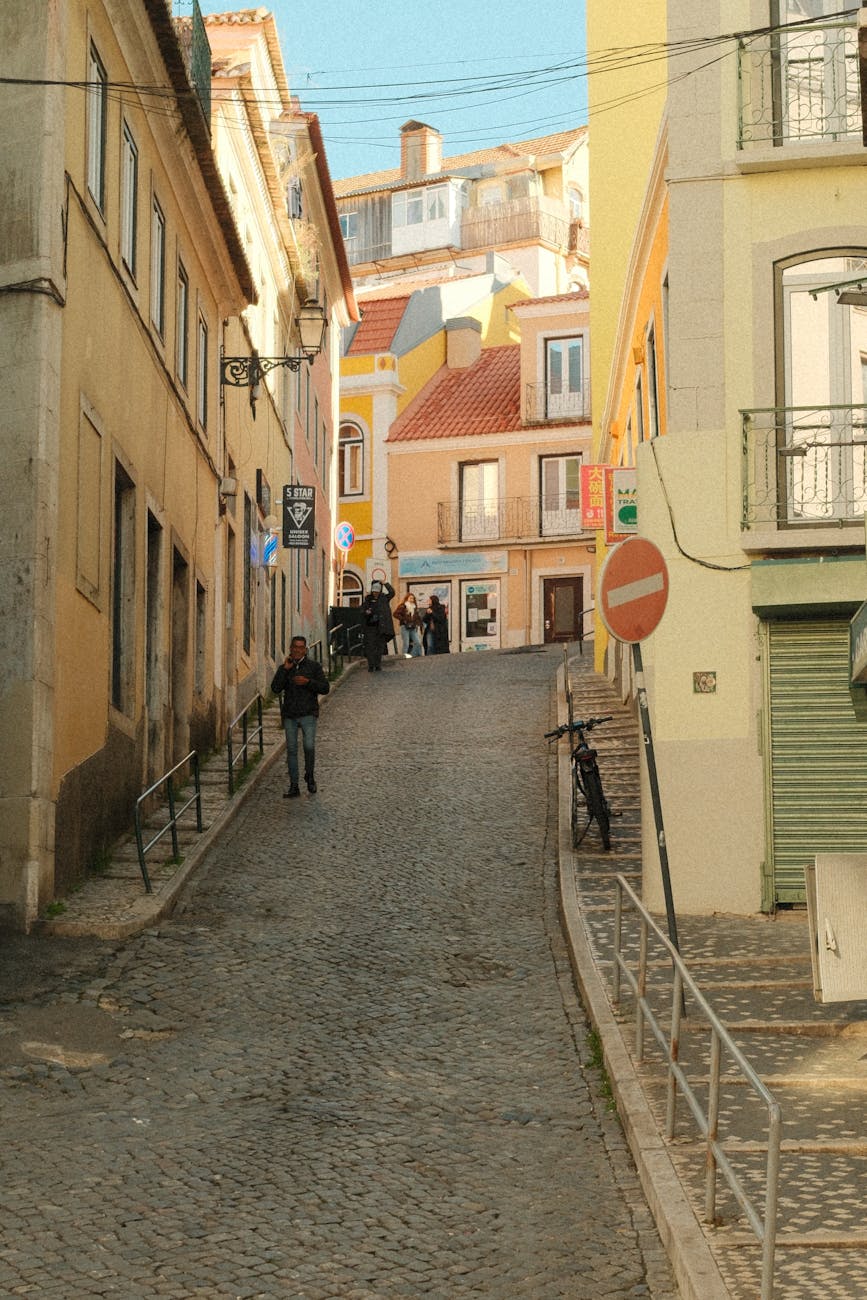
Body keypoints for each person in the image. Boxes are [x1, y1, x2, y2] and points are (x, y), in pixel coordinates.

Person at [271, 635, 330, 797]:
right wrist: (284, 670)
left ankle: (309, 776)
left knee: (309, 746)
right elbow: (275, 688)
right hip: (290, 714)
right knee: (291, 750)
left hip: (308, 713)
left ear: (305, 650)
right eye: (295, 647)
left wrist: (308, 682)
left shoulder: (314, 667)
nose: (297, 650)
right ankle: (294, 785)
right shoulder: (285, 667)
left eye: (300, 647)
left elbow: (325, 688)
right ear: (290, 649)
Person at [361, 579, 395, 672]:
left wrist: (386, 583)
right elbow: (362, 610)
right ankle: (371, 665)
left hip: (381, 627)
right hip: (371, 626)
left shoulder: (384, 598)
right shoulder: (368, 599)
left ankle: (377, 665)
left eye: (377, 591)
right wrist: (366, 612)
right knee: (370, 647)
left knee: (380, 647)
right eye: (374, 591)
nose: (375, 593)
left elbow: (392, 592)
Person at [394, 591, 424, 658]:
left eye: (413, 598)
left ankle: (412, 655)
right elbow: (395, 614)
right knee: (406, 643)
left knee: (418, 642)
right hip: (405, 627)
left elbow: (417, 617)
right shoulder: (403, 606)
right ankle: (404, 656)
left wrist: (420, 624)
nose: (412, 600)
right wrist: (403, 619)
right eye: (410, 598)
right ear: (407, 598)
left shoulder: (414, 607)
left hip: (413, 627)